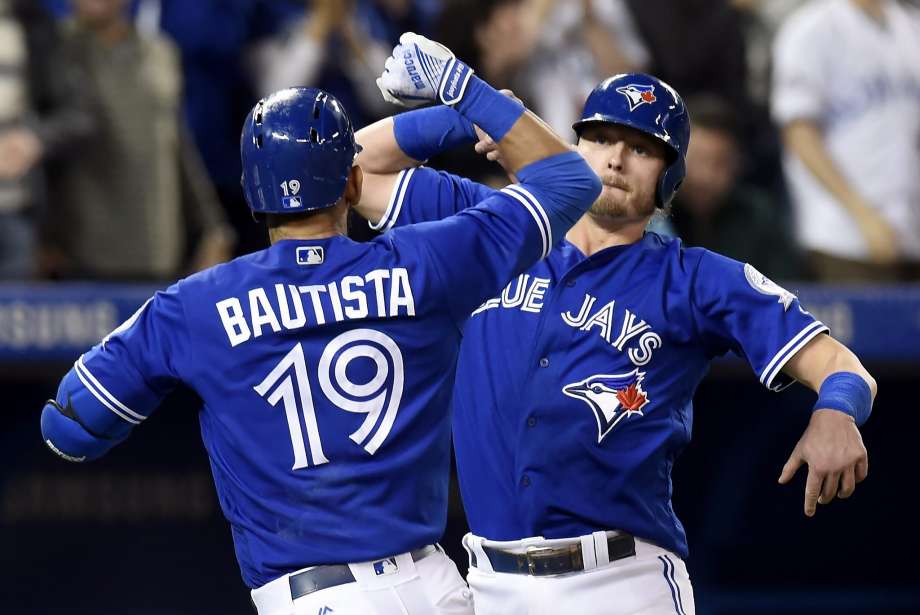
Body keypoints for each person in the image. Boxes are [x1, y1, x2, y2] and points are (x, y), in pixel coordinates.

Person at [38, 32, 601, 615]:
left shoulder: (193, 306)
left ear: (254, 198)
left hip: (315, 598)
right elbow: (571, 181)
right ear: (352, 184)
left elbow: (70, 429)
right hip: (434, 587)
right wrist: (465, 101)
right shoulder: (430, 260)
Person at [354, 72, 875, 614]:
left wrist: (836, 413)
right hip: (489, 583)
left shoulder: (695, 278)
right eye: (601, 138)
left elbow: (842, 365)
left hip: (620, 583)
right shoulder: (489, 226)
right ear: (572, 146)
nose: (616, 160)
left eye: (642, 148)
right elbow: (350, 169)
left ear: (668, 178)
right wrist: (464, 114)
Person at [40, 0, 233, 281]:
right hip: (80, 257)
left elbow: (177, 148)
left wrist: (212, 227)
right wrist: (39, 236)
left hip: (157, 253)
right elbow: (35, 146)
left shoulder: (161, 53)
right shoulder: (51, 51)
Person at [771, 0, 920, 281]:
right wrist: (862, 214)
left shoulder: (911, 27)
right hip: (842, 234)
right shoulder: (810, 29)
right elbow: (799, 134)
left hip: (910, 230)